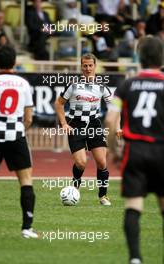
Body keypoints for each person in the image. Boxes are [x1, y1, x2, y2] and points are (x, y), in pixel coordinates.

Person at [106, 36, 164, 264]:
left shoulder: (126, 85)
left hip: (135, 151)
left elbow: (111, 120)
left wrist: (114, 149)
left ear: (139, 57)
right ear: (161, 58)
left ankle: (135, 259)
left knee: (133, 207)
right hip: (161, 150)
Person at [0, 45, 38, 239]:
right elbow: (28, 118)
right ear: (15, 62)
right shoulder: (22, 83)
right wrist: (20, 130)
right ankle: (27, 228)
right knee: (25, 181)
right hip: (15, 134)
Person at [55, 53, 113, 206]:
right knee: (81, 163)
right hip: (76, 125)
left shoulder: (101, 87)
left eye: (90, 65)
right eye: (85, 65)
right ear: (81, 67)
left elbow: (115, 108)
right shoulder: (73, 86)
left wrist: (117, 126)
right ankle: (75, 187)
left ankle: (103, 196)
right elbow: (59, 104)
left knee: (102, 162)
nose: (87, 68)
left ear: (95, 66)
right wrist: (64, 123)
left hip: (94, 124)